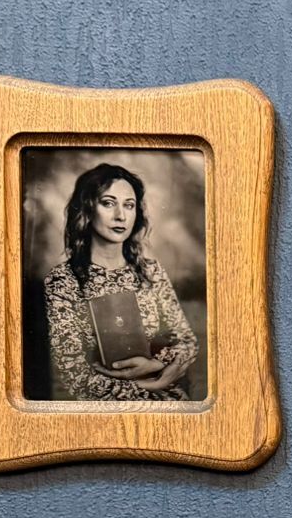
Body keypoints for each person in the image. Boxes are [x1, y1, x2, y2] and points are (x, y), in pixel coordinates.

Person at [42, 162, 199, 401]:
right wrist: (154, 385)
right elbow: (76, 375)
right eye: (108, 203)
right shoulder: (63, 281)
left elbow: (187, 342)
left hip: (171, 403)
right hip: (106, 411)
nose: (120, 216)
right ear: (87, 209)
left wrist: (156, 367)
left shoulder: (150, 271)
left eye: (129, 205)